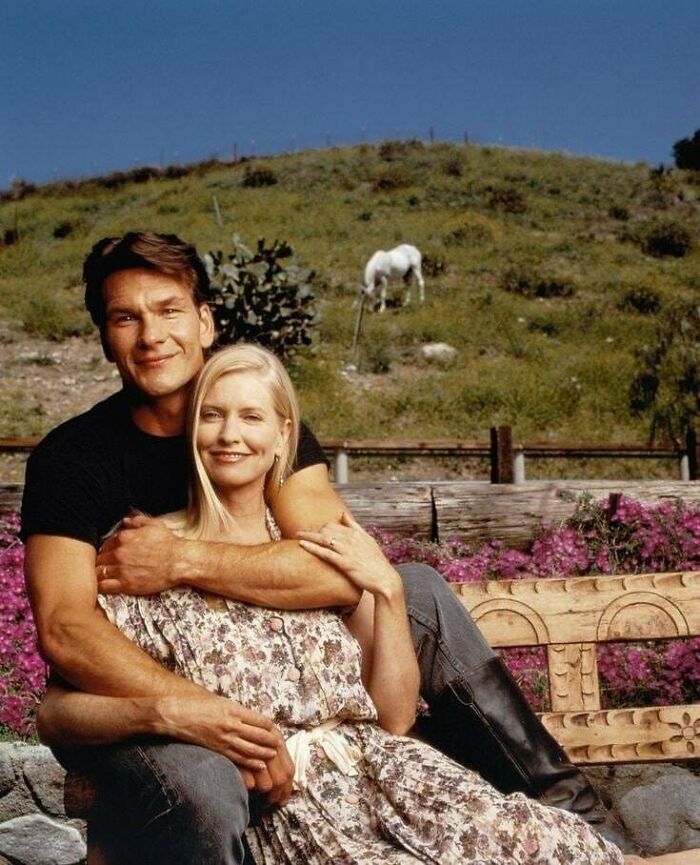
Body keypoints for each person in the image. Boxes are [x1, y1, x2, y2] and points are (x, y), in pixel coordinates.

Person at [22, 231, 628, 863]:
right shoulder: (73, 459)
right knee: (206, 779)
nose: (152, 336)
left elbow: (341, 568)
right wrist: (201, 712)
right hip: (142, 699)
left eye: (169, 310)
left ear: (205, 322)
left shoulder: (250, 418)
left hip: (269, 675)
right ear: (105, 336)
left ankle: (573, 817)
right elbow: (66, 629)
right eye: (126, 317)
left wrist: (181, 560)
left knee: (416, 591)